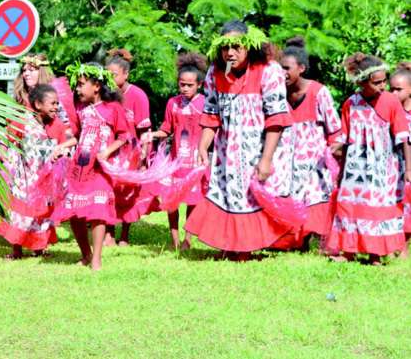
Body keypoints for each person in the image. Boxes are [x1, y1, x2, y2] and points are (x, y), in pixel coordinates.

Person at [184, 20, 294, 260]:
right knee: (227, 194)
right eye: (225, 48)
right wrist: (203, 145)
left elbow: (276, 119)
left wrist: (266, 160)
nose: (230, 53)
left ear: (249, 47)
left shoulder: (269, 70)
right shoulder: (215, 72)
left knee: (251, 197)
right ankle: (230, 245)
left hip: (261, 147)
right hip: (227, 150)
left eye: (236, 47)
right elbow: (212, 113)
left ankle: (245, 249)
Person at [325, 53, 411, 264]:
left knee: (376, 209)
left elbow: (404, 138)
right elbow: (345, 141)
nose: (383, 86)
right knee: (349, 205)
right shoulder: (350, 104)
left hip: (382, 169)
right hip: (355, 168)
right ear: (362, 82)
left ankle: (375, 254)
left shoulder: (391, 102)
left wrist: (409, 168)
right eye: (377, 83)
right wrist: (342, 171)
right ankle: (347, 251)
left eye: (384, 81)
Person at [54, 62, 129, 270]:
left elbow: (125, 136)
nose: (77, 89)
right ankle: (85, 254)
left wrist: (107, 151)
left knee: (98, 210)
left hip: (99, 170)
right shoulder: (80, 110)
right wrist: (61, 147)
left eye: (80, 84)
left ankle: (96, 258)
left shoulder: (113, 108)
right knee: (75, 213)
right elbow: (77, 136)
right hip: (78, 168)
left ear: (96, 86)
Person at [273, 37, 341, 250]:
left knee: (315, 195)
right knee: (286, 195)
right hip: (284, 161)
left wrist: (334, 159)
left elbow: (335, 128)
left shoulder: (319, 92)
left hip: (314, 161)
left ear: (301, 68)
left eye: (287, 68)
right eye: (279, 68)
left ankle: (319, 238)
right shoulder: (276, 93)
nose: (282, 73)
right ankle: (292, 240)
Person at [0, 84, 76, 259]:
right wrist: (5, 155)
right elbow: (7, 138)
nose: (56, 107)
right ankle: (16, 250)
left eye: (57, 104)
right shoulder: (23, 121)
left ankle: (39, 247)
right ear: (38, 104)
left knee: (42, 214)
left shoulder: (57, 124)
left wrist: (62, 151)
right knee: (20, 213)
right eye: (52, 104)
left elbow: (69, 143)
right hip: (24, 176)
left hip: (45, 177)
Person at [142, 53, 208, 250]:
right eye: (182, 84)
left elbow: (210, 130)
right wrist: (152, 135)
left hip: (195, 162)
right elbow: (166, 129)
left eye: (190, 85)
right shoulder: (173, 103)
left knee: (192, 201)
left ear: (199, 85)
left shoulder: (205, 104)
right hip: (175, 162)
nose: (185, 88)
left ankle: (187, 240)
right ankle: (175, 240)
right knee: (171, 202)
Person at [105, 49, 152, 246]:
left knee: (127, 195)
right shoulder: (105, 94)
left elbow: (145, 130)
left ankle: (124, 234)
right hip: (109, 152)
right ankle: (108, 233)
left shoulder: (138, 96)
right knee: (107, 192)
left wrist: (144, 157)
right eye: (107, 75)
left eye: (113, 74)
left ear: (126, 74)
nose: (110, 78)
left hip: (131, 154)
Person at [390, 62, 411, 253]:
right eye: (391, 89)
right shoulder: (391, 111)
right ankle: (400, 246)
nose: (394, 94)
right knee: (398, 205)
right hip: (395, 166)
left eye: (399, 90)